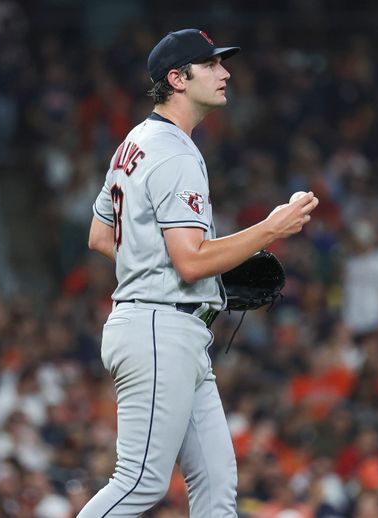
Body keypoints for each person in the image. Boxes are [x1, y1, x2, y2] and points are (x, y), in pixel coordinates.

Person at [82, 28, 319, 516]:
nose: (225, 72)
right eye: (211, 65)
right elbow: (190, 261)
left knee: (215, 484)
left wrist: (170, 272)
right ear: (177, 78)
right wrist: (271, 228)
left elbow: (102, 238)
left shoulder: (136, 142)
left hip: (172, 327)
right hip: (158, 329)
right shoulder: (174, 151)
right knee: (140, 483)